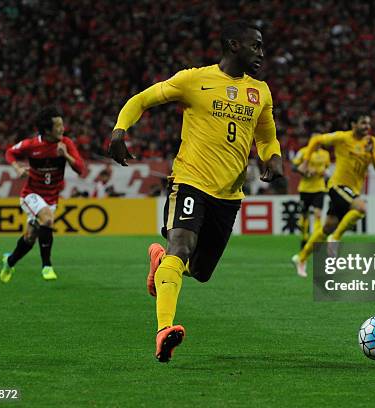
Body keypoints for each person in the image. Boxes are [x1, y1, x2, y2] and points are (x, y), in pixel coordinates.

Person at [108, 21, 282, 363]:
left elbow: (267, 135)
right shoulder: (193, 80)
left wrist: (273, 157)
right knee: (182, 245)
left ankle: (161, 264)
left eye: (262, 47)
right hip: (190, 181)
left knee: (200, 272)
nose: (261, 53)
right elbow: (141, 100)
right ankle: (163, 331)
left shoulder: (260, 91)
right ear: (233, 45)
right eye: (255, 46)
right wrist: (119, 130)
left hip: (229, 195)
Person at [0, 106, 86, 283]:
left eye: (62, 125)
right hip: (31, 194)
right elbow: (10, 152)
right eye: (58, 126)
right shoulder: (32, 145)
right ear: (47, 130)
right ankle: (46, 266)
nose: (63, 129)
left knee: (30, 237)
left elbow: (80, 169)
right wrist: (17, 168)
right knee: (47, 220)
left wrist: (66, 156)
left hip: (52, 197)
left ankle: (9, 262)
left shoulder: (65, 144)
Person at [292, 114, 375, 277]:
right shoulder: (342, 137)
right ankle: (335, 239)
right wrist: (305, 162)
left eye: (368, 124)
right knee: (361, 208)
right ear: (353, 124)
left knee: (326, 228)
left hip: (353, 190)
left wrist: (372, 154)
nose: (366, 127)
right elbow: (316, 141)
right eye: (363, 123)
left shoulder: (373, 142)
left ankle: (301, 258)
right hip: (337, 186)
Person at [291, 144, 330, 248]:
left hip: (319, 188)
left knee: (318, 214)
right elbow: (293, 167)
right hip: (305, 189)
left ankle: (316, 239)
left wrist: (323, 173)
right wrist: (306, 172)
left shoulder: (325, 154)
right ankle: (304, 237)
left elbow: (326, 167)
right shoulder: (303, 152)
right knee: (304, 215)